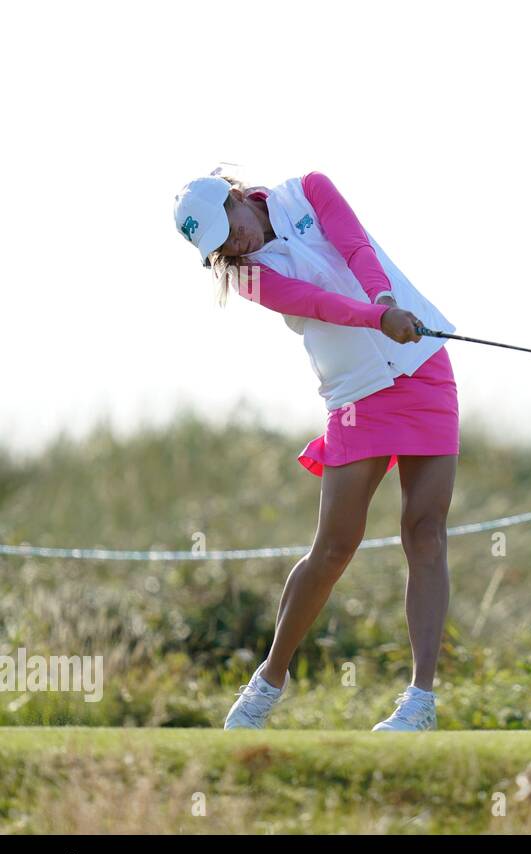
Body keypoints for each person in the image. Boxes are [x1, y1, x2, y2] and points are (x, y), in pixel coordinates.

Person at [172, 167, 460, 731]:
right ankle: (266, 685)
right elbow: (317, 302)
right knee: (333, 548)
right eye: (219, 248)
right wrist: (378, 316)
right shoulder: (247, 276)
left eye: (229, 230)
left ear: (235, 197)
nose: (233, 247)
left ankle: (420, 702)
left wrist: (383, 297)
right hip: (356, 395)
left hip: (423, 366)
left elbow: (354, 246)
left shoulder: (308, 190)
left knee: (425, 533)